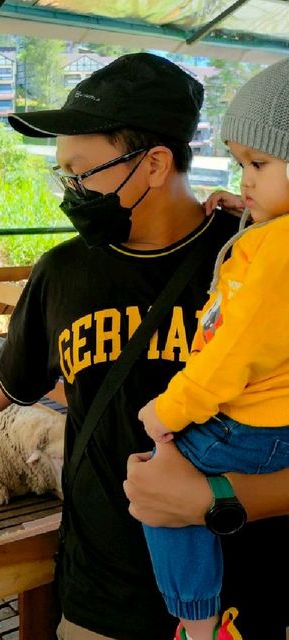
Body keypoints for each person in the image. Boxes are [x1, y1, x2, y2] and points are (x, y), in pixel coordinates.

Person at [0, 53, 289, 640]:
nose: (70, 189)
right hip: (101, 588)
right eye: (62, 172)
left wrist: (212, 499)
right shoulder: (63, 271)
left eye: (81, 171)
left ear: (155, 164)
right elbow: (10, 376)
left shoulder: (257, 259)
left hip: (243, 594)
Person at [137, 58, 289, 640]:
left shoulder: (276, 251)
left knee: (157, 487)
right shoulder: (270, 238)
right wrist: (255, 210)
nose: (245, 179)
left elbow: (235, 352)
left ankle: (195, 624)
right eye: (239, 162)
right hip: (273, 424)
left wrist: (169, 411)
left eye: (259, 163)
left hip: (249, 423)